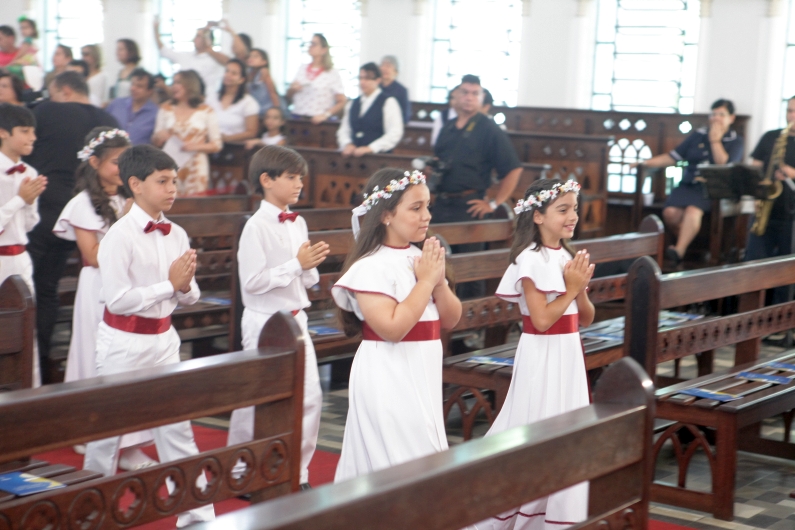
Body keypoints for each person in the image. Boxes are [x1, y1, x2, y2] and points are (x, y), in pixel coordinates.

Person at [82, 144, 215, 526]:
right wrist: (167, 285)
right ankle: (89, 513)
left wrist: (184, 287)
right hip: (124, 343)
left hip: (164, 339)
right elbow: (118, 300)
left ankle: (195, 512)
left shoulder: (177, 232)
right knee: (107, 436)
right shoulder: (119, 236)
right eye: (163, 181)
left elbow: (191, 294)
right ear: (136, 184)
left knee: (177, 428)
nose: (173, 188)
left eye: (174, 180)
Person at [477, 178, 593, 530]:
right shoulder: (530, 259)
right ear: (538, 216)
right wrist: (571, 288)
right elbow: (541, 320)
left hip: (568, 353)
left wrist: (581, 289)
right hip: (541, 354)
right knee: (533, 425)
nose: (572, 216)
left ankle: (555, 513)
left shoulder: (569, 255)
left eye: (574, 208)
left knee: (566, 429)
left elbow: (585, 317)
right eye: (563, 210)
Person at [332, 168, 462, 481]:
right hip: (388, 373)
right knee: (398, 465)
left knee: (425, 454)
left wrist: (439, 283)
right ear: (386, 215)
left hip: (422, 370)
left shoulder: (421, 257)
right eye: (416, 208)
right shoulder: (371, 266)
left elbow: (451, 319)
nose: (426, 216)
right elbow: (392, 328)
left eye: (428, 206)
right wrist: (426, 281)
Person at [52, 127, 156, 469]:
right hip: (97, 285)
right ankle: (89, 430)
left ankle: (128, 438)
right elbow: (94, 254)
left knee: (128, 359)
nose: (122, 169)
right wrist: (126, 222)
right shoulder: (82, 203)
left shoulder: (129, 197)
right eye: (115, 162)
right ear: (94, 162)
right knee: (97, 355)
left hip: (128, 283)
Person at [227, 145, 329, 489]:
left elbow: (305, 276)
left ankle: (295, 471)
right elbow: (253, 283)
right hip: (264, 320)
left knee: (310, 396)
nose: (300, 183)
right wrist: (296, 264)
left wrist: (309, 265)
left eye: (301, 176)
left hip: (296, 319)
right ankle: (241, 471)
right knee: (255, 398)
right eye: (291, 177)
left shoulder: (298, 221)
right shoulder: (255, 227)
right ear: (267, 180)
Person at [23, 71, 118, 380]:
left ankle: (26, 361)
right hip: (90, 206)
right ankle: (42, 359)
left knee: (26, 290)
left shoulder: (46, 110)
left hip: (43, 206)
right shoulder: (107, 117)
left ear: (62, 91)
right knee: (47, 288)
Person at [639, 99, 743, 265]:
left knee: (693, 211)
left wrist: (715, 141)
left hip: (712, 189)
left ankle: (679, 251)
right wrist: (644, 163)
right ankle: (691, 245)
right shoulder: (698, 135)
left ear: (731, 118)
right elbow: (672, 157)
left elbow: (725, 165)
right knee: (670, 213)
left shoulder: (735, 141)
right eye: (713, 114)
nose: (716, 118)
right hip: (689, 184)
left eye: (721, 114)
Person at [0, 104, 47, 387]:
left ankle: (27, 395)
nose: (32, 137)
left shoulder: (29, 170)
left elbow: (29, 225)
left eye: (33, 131)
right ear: (3, 132)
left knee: (25, 327)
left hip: (21, 257)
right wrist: (19, 199)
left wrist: (28, 203)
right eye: (25, 131)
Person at [743, 96, 795, 305]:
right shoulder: (771, 137)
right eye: (789, 111)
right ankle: (751, 313)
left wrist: (791, 172)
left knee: (786, 270)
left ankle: (781, 323)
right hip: (765, 209)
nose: (791, 116)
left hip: (791, 216)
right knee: (753, 265)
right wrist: (757, 191)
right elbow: (754, 168)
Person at [152, 70, 222, 196]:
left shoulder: (206, 111)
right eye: (173, 83)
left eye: (178, 82)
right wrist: (160, 136)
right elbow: (155, 140)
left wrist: (195, 146)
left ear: (190, 85)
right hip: (170, 162)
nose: (174, 86)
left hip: (196, 164)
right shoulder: (165, 108)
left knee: (195, 204)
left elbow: (217, 144)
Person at [337, 62, 403, 157]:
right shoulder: (352, 103)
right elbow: (344, 129)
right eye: (360, 78)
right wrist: (347, 143)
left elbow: (395, 132)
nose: (362, 82)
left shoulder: (388, 102)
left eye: (367, 78)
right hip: (353, 157)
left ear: (378, 80)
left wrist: (372, 148)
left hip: (379, 157)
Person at [154, 19, 225, 95]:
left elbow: (228, 62)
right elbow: (164, 51)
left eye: (199, 36)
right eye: (196, 36)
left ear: (208, 39)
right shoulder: (187, 55)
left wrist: (208, 47)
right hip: (184, 99)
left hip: (206, 99)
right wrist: (155, 30)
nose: (195, 39)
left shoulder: (215, 58)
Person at [287, 33, 346, 124]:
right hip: (298, 117)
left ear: (323, 50)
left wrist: (326, 115)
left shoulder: (331, 73)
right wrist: (293, 89)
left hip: (318, 121)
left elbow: (341, 101)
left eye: (314, 44)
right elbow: (289, 96)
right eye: (310, 44)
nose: (310, 47)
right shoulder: (302, 68)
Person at [207, 59, 260, 142]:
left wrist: (226, 138)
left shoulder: (248, 102)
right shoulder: (212, 97)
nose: (228, 75)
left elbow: (251, 132)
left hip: (235, 147)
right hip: (209, 143)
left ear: (242, 79)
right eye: (227, 71)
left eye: (234, 73)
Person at [106, 68, 159, 146]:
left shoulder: (155, 113)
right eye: (132, 84)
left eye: (139, 86)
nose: (133, 88)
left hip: (138, 155)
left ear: (149, 91)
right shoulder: (117, 103)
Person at [246, 48, 282, 118]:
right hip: (254, 110)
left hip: (266, 110)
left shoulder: (264, 72)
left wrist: (277, 110)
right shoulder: (248, 73)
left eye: (255, 56)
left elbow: (273, 93)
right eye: (250, 56)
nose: (251, 58)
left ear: (264, 62)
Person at [379, 55, 410, 124]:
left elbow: (405, 115)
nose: (384, 69)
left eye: (388, 66)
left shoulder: (401, 90)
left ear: (396, 71)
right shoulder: (376, 88)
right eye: (383, 65)